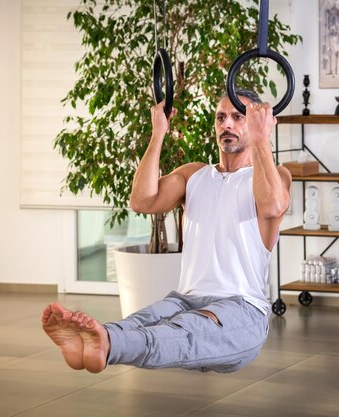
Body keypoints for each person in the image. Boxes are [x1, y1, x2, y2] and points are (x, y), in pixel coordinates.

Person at [42, 89, 292, 373]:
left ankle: (107, 343)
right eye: (220, 117)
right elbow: (142, 200)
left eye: (238, 117)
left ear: (256, 122)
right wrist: (158, 133)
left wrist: (262, 138)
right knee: (142, 320)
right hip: (186, 298)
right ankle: (88, 344)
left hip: (242, 309)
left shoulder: (275, 176)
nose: (227, 125)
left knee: (182, 330)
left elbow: (271, 206)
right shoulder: (194, 175)